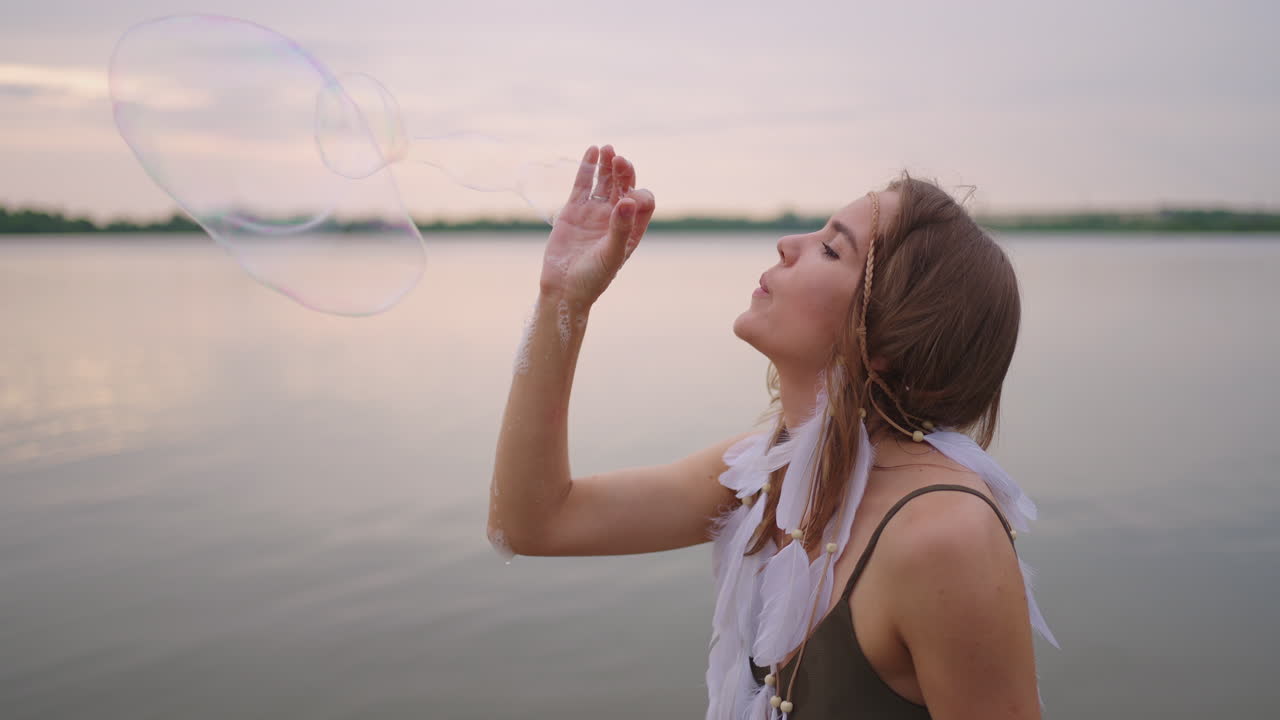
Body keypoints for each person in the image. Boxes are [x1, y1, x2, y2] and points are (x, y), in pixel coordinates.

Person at [489, 144, 1055, 719]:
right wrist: (563, 300)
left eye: (832, 248)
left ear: (887, 338)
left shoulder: (944, 536)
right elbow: (532, 523)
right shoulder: (767, 472)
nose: (788, 244)